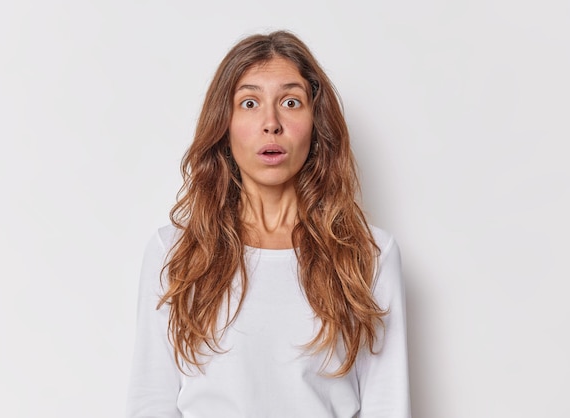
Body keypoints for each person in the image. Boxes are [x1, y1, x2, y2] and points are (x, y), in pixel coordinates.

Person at [126, 30, 411, 417]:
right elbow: (151, 402)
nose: (271, 123)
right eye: (249, 103)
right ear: (224, 125)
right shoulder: (174, 252)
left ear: (316, 122)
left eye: (291, 102)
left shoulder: (368, 256)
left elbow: (387, 406)